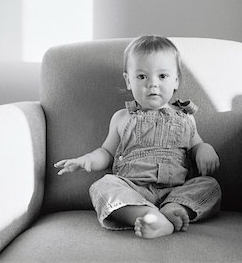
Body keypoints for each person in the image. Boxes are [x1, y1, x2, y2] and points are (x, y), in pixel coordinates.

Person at [54, 35, 221, 239]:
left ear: (176, 80)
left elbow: (197, 145)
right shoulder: (121, 118)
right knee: (101, 186)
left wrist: (205, 149)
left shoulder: (186, 118)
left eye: (162, 76)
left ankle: (174, 210)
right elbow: (106, 152)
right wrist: (87, 160)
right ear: (128, 81)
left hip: (175, 191)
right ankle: (145, 215)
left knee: (209, 185)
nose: (152, 84)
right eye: (142, 77)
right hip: (133, 189)